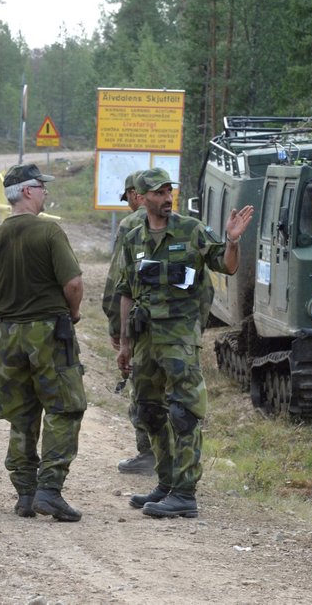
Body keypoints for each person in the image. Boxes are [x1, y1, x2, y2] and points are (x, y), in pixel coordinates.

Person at [116, 168, 253, 519]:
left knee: (183, 412)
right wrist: (125, 343)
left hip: (179, 338)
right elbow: (126, 292)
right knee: (149, 410)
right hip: (145, 339)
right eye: (158, 193)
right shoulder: (132, 236)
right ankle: (166, 482)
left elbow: (226, 265)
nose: (166, 198)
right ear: (142, 198)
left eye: (168, 192)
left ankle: (185, 492)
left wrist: (233, 241)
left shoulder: (191, 230)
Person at [0, 163, 87, 522]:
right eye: (41, 187)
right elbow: (73, 284)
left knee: (21, 414)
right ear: (26, 191)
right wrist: (73, 313)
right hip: (49, 330)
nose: (45, 193)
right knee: (65, 408)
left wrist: (3, 327)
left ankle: (25, 494)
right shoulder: (49, 232)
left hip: (9, 335)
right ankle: (49, 490)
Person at [102, 171, 155, 475]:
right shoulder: (182, 224)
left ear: (136, 195)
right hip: (176, 325)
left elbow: (117, 279)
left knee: (143, 387)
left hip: (139, 322)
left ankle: (147, 453)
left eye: (128, 199)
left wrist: (115, 328)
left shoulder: (130, 225)